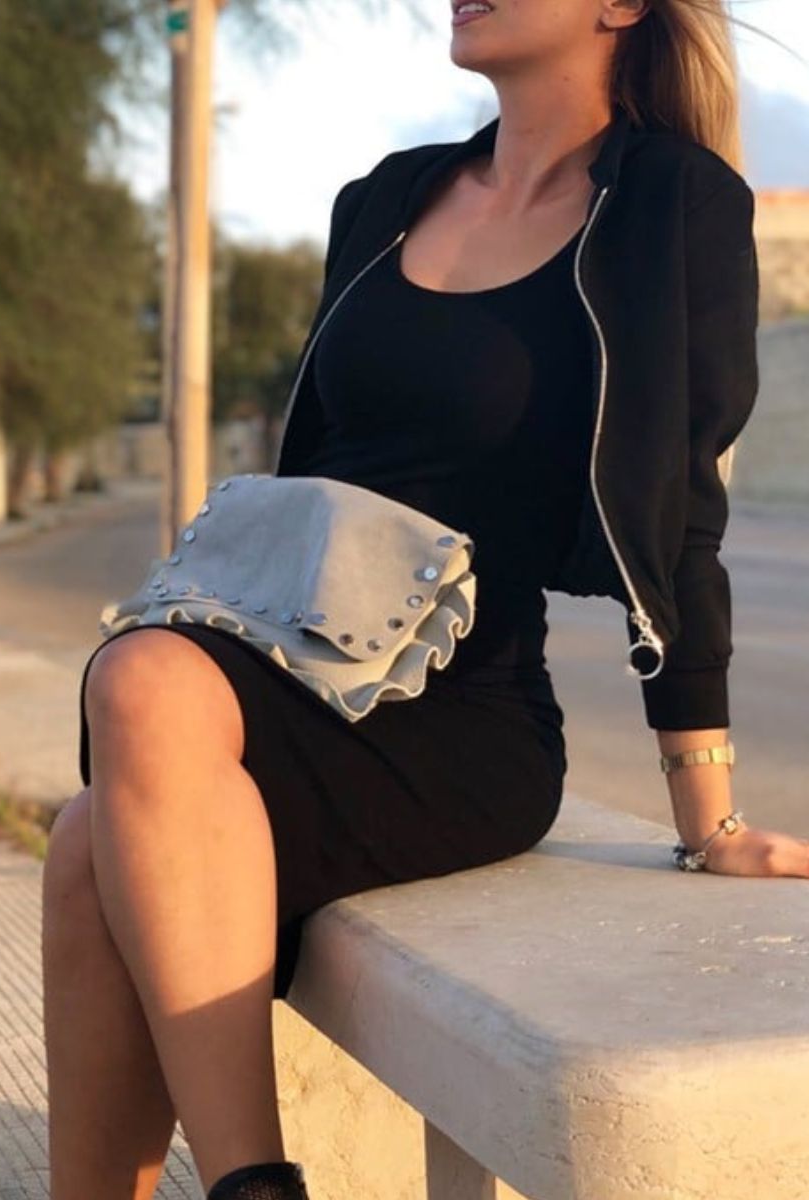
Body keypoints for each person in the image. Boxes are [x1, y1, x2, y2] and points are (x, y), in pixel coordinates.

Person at [40, 3, 805, 1197]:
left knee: (139, 685)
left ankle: (251, 1185)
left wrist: (705, 817)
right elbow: (315, 464)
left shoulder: (670, 203)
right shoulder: (387, 195)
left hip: (464, 710)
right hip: (298, 663)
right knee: (87, 838)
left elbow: (681, 504)